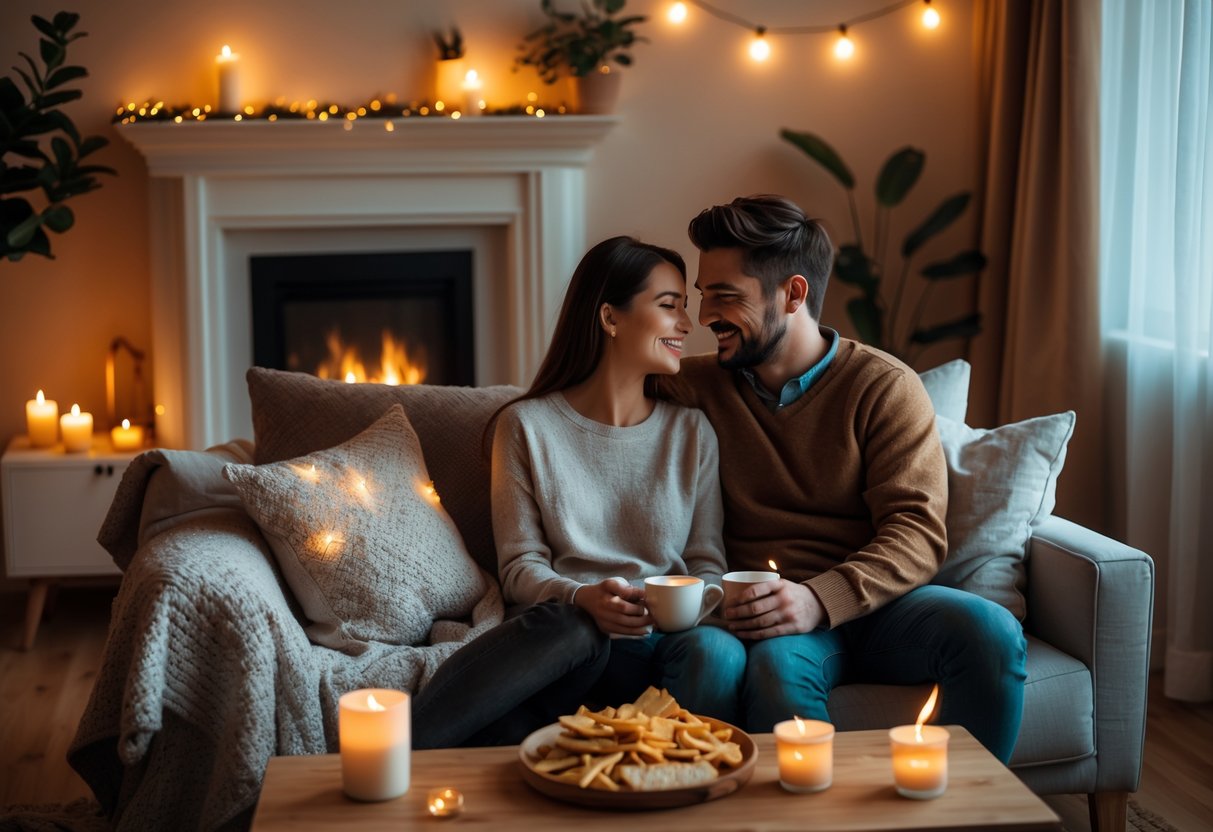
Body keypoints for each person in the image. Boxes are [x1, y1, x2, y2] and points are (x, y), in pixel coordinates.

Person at [651, 194, 1027, 763]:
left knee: (991, 632)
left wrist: (819, 598)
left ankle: (970, 818)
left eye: (726, 296)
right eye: (706, 295)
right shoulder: (692, 386)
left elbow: (917, 532)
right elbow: (590, 399)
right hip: (774, 620)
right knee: (779, 666)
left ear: (793, 293)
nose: (705, 317)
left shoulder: (883, 388)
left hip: (881, 610)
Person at [488, 235, 741, 718]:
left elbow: (706, 562)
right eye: (669, 306)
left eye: (684, 307)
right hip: (578, 634)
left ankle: (674, 779)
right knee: (588, 644)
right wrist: (583, 597)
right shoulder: (525, 427)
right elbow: (519, 569)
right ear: (610, 318)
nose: (688, 324)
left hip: (672, 636)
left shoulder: (691, 432)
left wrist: (682, 606)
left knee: (720, 656)